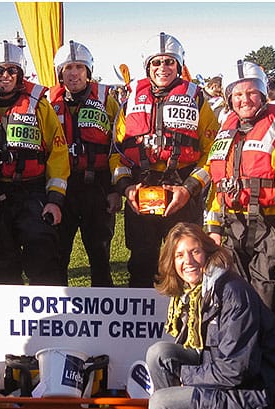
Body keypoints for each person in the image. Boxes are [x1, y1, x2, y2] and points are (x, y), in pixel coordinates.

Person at [136, 222, 275, 409]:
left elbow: (237, 370)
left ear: (208, 252)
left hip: (255, 392)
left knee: (159, 404)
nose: (188, 261)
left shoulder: (232, 293)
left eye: (195, 251)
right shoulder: (195, 291)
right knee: (159, 354)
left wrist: (188, 379)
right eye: (180, 255)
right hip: (222, 369)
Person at [111, 32, 219, 287]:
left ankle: (187, 321)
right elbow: (117, 151)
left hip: (182, 189)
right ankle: (140, 324)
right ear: (148, 66)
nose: (163, 68)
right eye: (156, 62)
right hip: (141, 190)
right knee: (141, 261)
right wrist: (126, 188)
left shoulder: (197, 99)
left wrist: (189, 189)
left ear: (179, 65)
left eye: (169, 62)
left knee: (186, 262)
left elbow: (212, 151)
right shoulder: (130, 101)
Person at [205, 61, 275, 334]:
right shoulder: (227, 125)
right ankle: (242, 358)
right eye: (238, 94)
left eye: (252, 92)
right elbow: (219, 183)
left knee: (267, 294)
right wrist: (214, 227)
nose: (245, 100)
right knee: (234, 294)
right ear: (229, 97)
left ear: (264, 92)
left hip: (270, 225)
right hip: (233, 223)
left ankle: (270, 367)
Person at [0, 40, 69, 285]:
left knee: (43, 260)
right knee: (3, 264)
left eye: (12, 70)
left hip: (32, 193)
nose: (6, 76)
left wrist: (55, 200)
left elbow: (58, 153)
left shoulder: (40, 106)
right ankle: (7, 321)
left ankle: (48, 320)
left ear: (21, 73)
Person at [49, 40, 122, 286]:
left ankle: (103, 315)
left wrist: (114, 190)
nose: (74, 73)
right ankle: (58, 313)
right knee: (57, 254)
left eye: (79, 67)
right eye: (68, 67)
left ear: (88, 71)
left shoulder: (106, 100)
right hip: (62, 189)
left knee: (99, 253)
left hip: (96, 187)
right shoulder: (48, 103)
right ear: (60, 72)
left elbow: (117, 146)